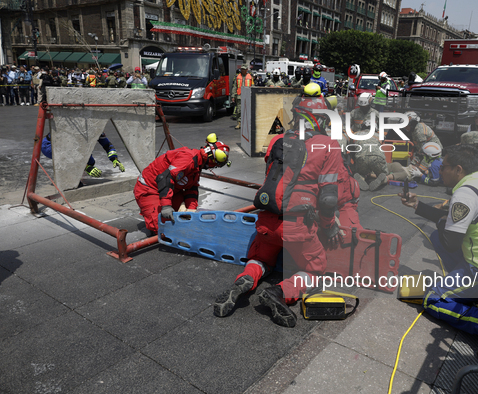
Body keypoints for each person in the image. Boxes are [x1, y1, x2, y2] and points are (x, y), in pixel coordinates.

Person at [213, 101, 342, 328]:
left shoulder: (277, 140)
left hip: (266, 221)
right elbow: (328, 198)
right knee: (315, 269)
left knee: (261, 259)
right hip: (298, 228)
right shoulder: (328, 145)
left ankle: (245, 280)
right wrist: (328, 225)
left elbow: (274, 177)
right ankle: (278, 292)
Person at [400, 144, 478, 361]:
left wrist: (445, 220)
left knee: (432, 298)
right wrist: (418, 205)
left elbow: (450, 242)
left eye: (443, 167)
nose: (439, 171)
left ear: (458, 169)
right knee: (435, 237)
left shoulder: (464, 194)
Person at [134, 133, 230, 234]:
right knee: (163, 228)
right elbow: (165, 178)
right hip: (149, 189)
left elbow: (191, 188)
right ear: (211, 160)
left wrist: (191, 211)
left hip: (170, 189)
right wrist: (166, 206)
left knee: (183, 215)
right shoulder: (187, 160)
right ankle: (155, 222)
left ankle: (169, 210)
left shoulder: (198, 163)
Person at [41, 132, 126, 178]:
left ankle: (80, 172)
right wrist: (85, 167)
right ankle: (70, 178)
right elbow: (68, 153)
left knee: (90, 161)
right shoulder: (79, 130)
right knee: (76, 162)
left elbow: (107, 144)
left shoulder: (98, 129)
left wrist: (114, 159)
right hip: (50, 146)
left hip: (70, 147)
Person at [231, 64, 252, 129]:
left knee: (247, 110)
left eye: (244, 69)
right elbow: (235, 87)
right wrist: (233, 96)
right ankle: (239, 123)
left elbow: (253, 86)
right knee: (239, 110)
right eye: (242, 69)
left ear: (247, 70)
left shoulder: (250, 77)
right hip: (239, 96)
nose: (243, 70)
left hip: (248, 96)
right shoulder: (238, 77)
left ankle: (247, 123)